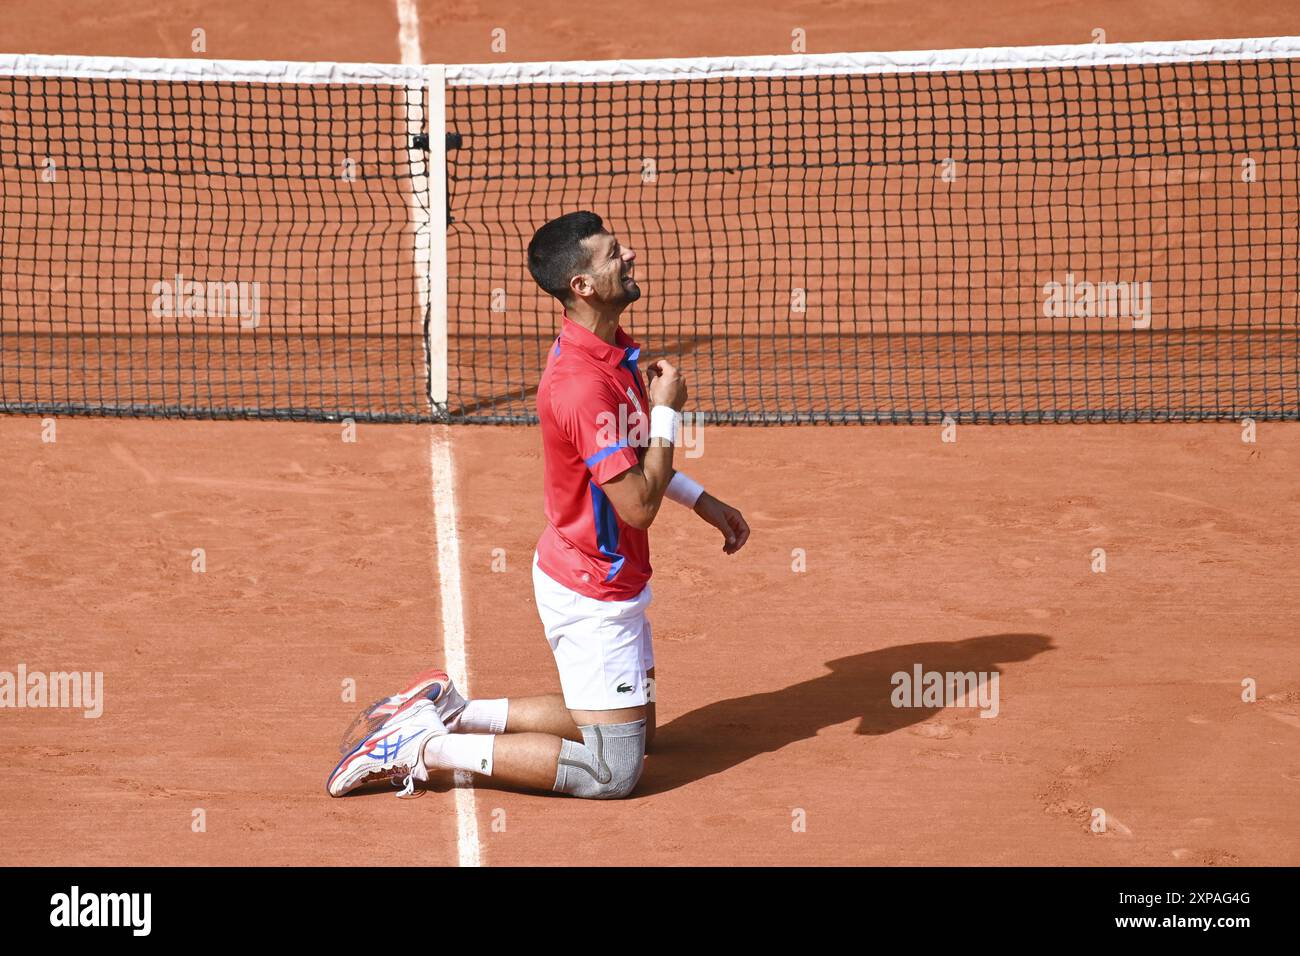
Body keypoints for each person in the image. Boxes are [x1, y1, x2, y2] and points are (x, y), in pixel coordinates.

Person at [329, 211, 750, 799]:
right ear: (581, 286)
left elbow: (633, 463)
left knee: (641, 730)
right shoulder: (581, 384)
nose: (628, 256)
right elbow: (635, 507)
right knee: (613, 771)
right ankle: (422, 748)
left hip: (609, 571)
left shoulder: (613, 353)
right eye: (611, 255)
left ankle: (455, 710)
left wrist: (701, 499)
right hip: (593, 586)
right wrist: (667, 412)